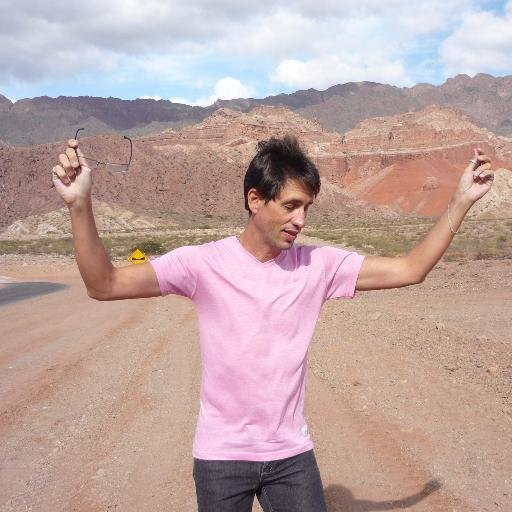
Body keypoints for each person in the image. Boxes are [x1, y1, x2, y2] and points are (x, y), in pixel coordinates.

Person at [52, 134, 494, 512]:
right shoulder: (202, 264)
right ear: (255, 200)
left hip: (291, 457)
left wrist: (460, 202)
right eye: (291, 205)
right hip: (221, 458)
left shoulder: (318, 266)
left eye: (307, 208)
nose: (301, 220)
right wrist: (79, 204)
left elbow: (410, 269)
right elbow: (104, 284)